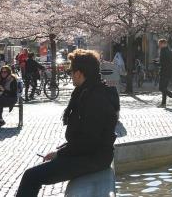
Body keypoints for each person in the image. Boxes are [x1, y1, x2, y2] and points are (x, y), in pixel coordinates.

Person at [15, 49, 118, 197]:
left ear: (79, 73)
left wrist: (60, 154)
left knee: (31, 176)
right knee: (33, 175)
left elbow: (89, 141)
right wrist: (62, 150)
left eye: (71, 71)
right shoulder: (89, 90)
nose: (69, 74)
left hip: (94, 158)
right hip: (91, 154)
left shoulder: (94, 97)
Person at [157, 39, 172, 108]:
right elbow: (167, 61)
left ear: (163, 44)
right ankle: (163, 103)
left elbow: (163, 62)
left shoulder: (163, 51)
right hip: (169, 71)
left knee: (161, 88)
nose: (159, 45)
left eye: (159, 44)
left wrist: (157, 63)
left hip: (164, 72)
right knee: (164, 88)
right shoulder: (169, 50)